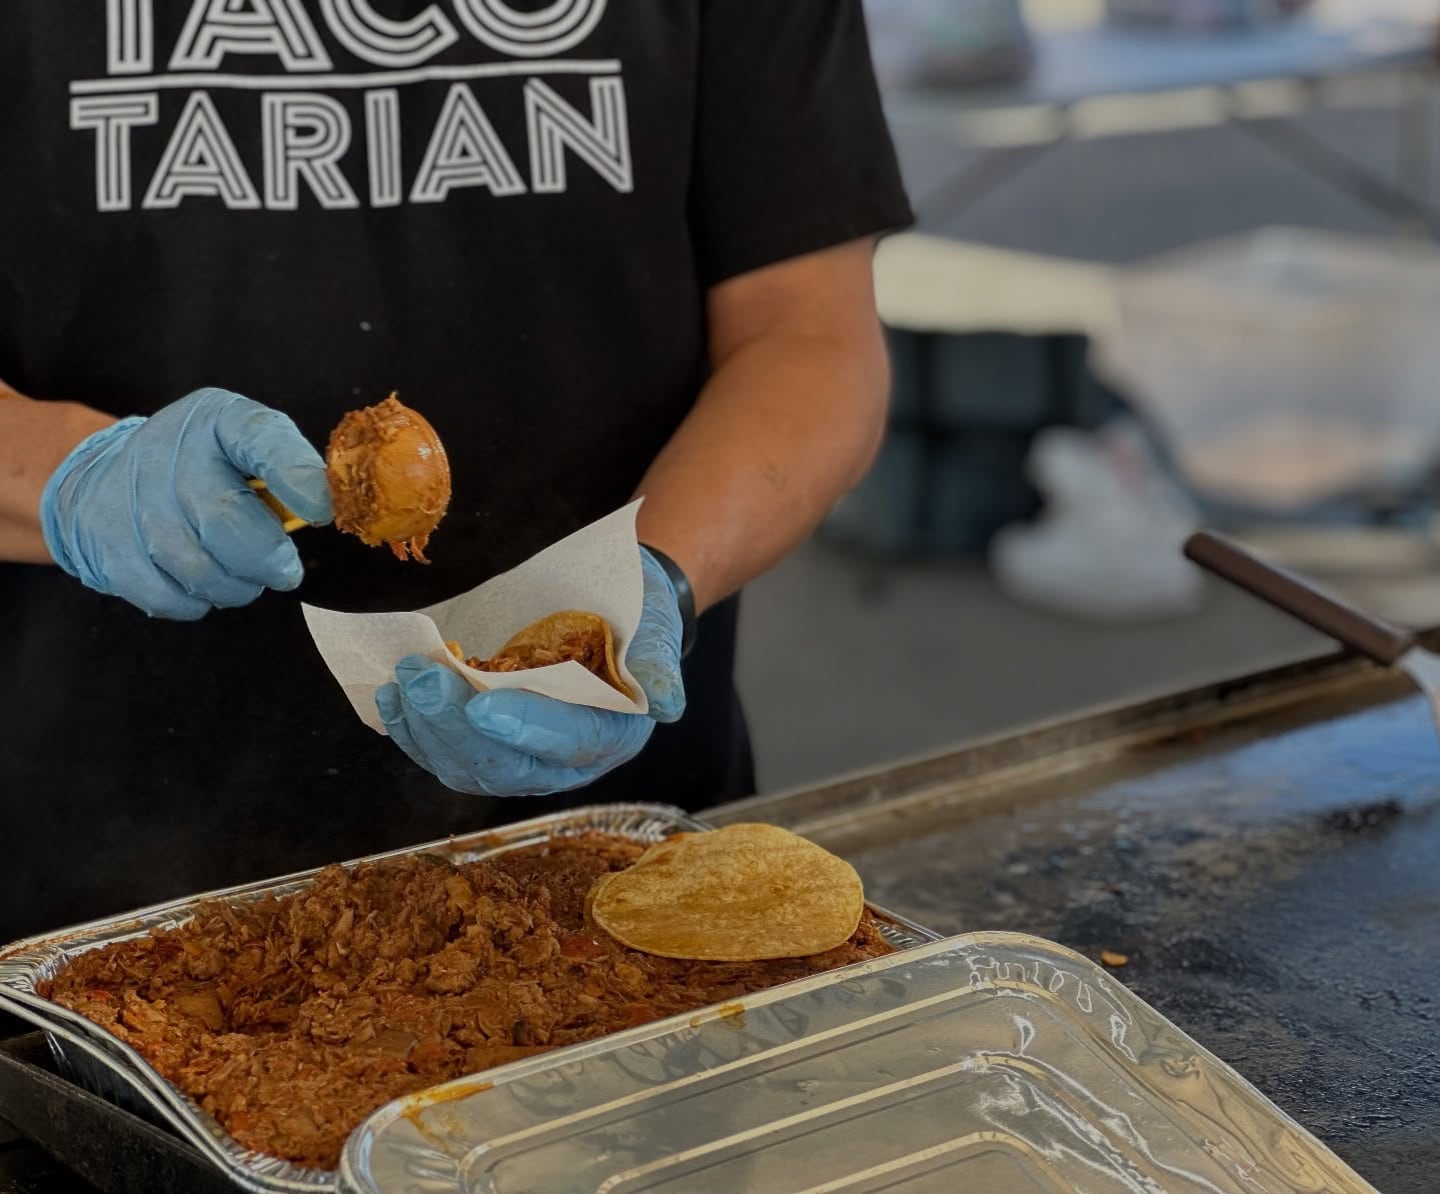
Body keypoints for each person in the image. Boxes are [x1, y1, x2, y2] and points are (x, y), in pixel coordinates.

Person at [0, 1, 911, 944]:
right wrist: (70, 477)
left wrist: (653, 589)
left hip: (613, 856)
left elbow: (807, 336)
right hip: (95, 874)